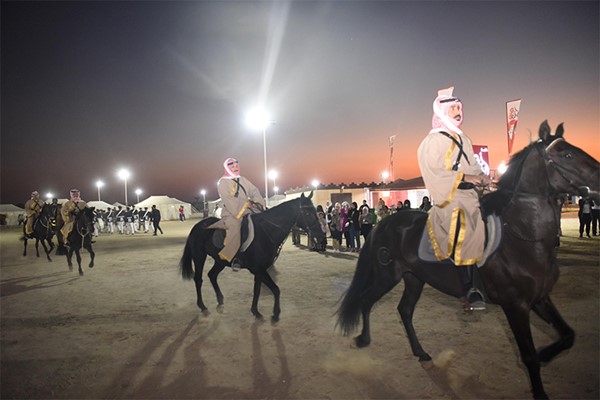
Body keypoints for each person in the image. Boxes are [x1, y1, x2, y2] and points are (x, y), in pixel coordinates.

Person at [417, 87, 492, 312]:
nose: (458, 111)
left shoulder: (464, 138)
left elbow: (474, 166)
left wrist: (484, 178)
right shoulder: (432, 142)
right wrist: (467, 177)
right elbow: (434, 173)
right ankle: (469, 288)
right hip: (450, 197)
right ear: (441, 112)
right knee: (465, 224)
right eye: (453, 108)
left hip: (471, 193)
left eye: (459, 107)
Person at [209, 158, 265, 271]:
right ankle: (235, 257)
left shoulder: (243, 179)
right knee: (235, 226)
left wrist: (258, 203)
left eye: (236, 166)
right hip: (232, 211)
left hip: (248, 208)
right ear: (227, 168)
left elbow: (254, 191)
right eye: (232, 167)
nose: (235, 168)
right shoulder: (223, 182)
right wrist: (245, 205)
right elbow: (227, 199)